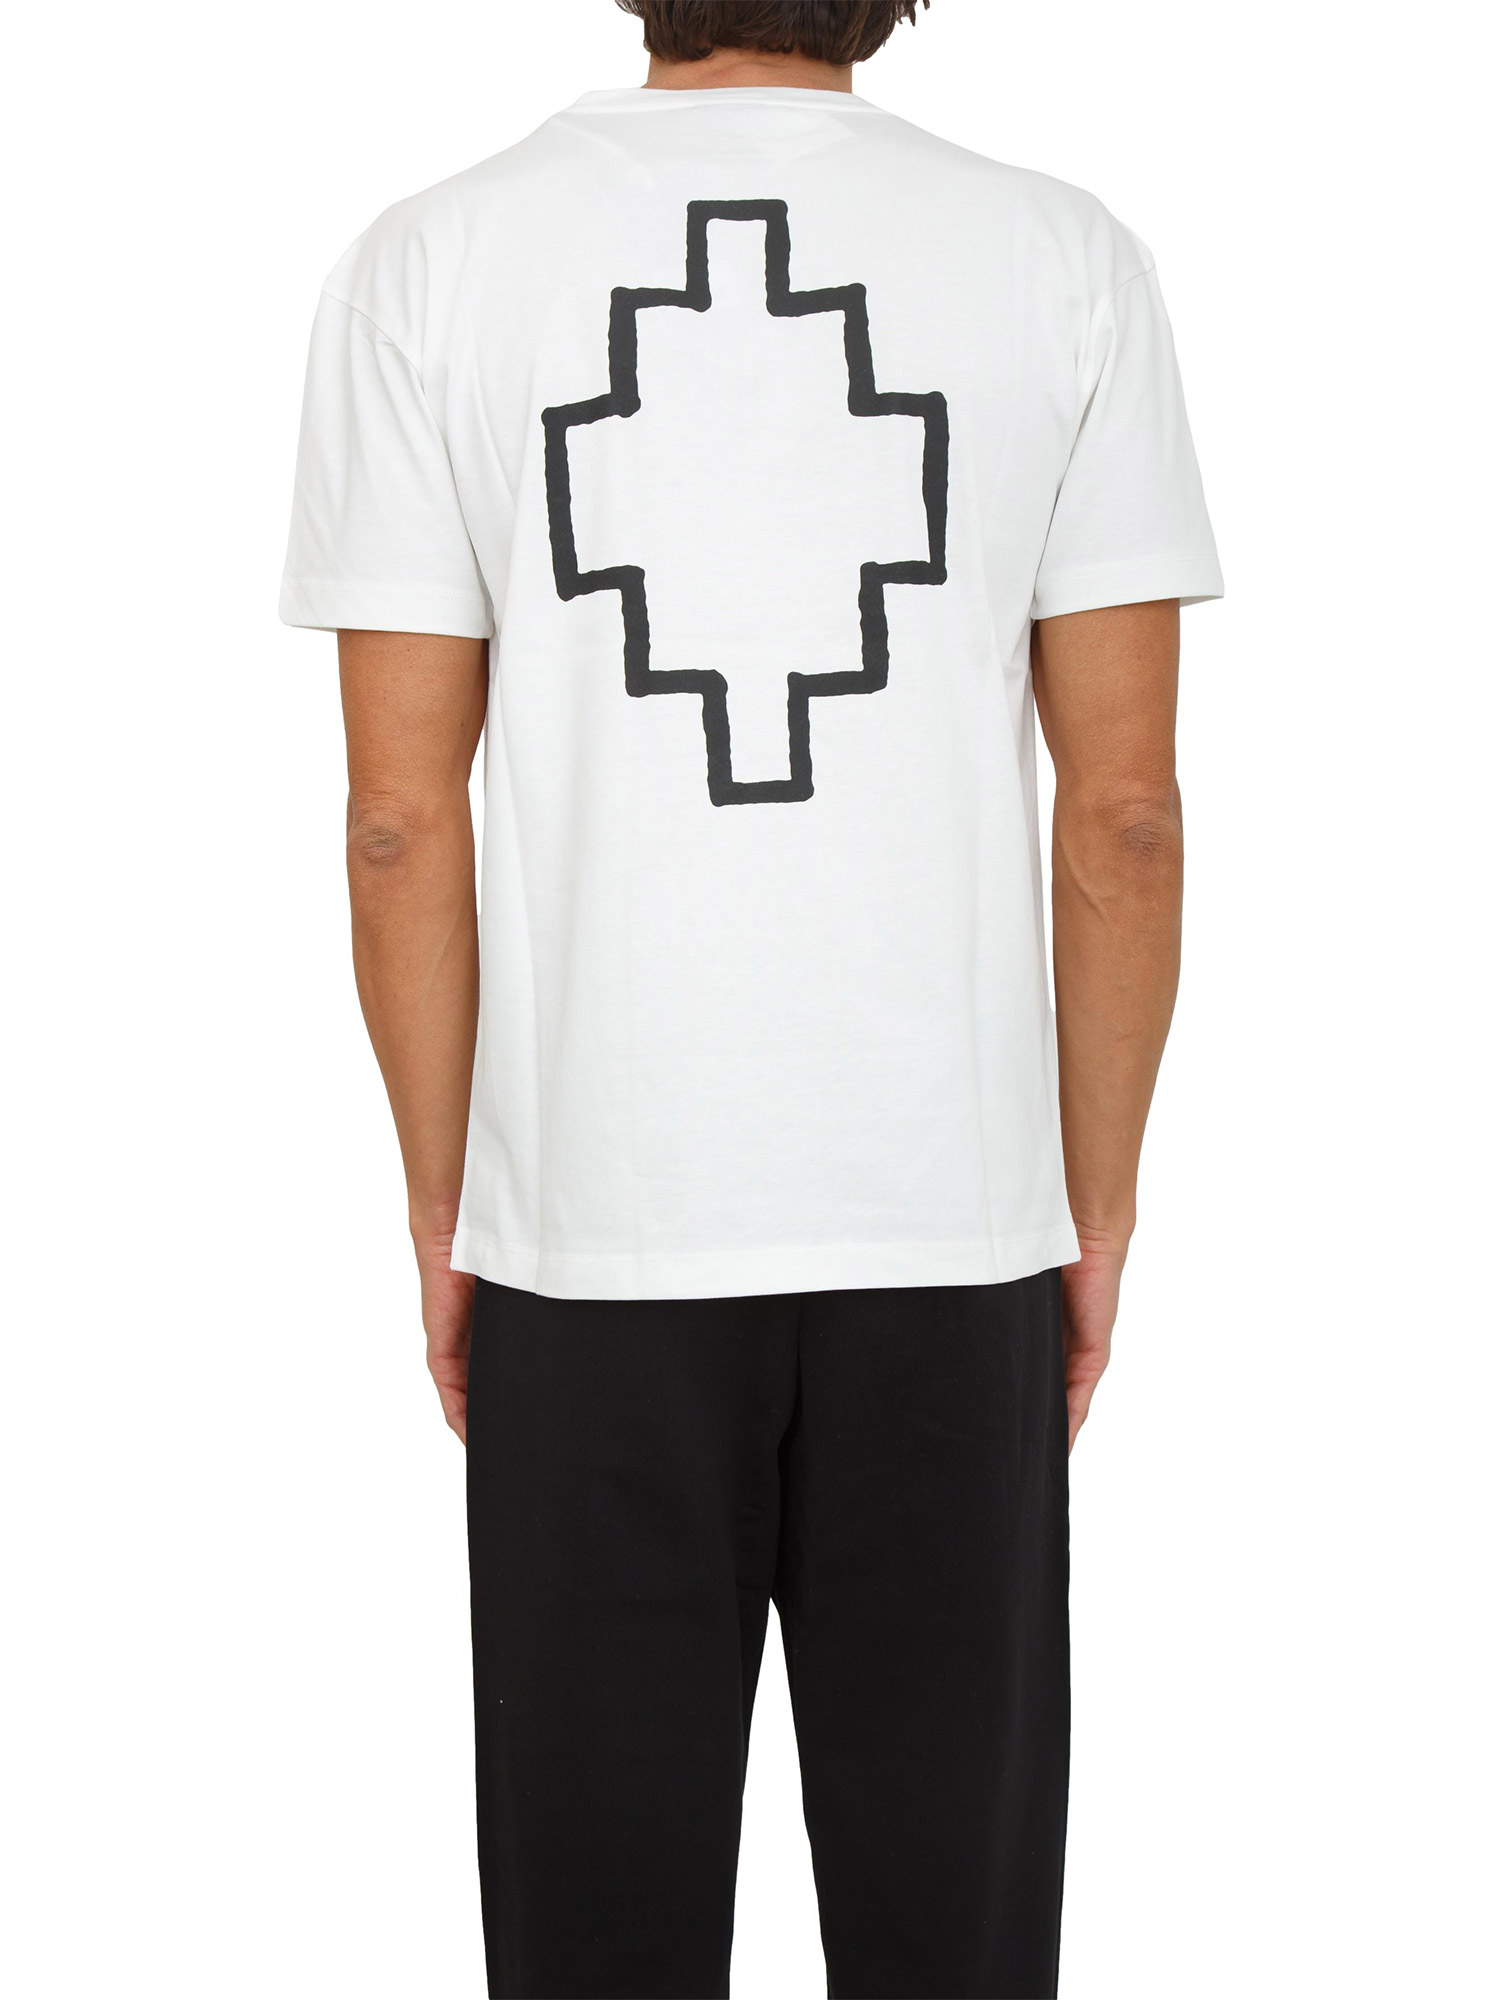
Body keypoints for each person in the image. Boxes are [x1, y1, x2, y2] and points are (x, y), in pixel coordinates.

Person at [280, 0, 1221, 1991]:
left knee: (594, 1946)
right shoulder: (1064, 262)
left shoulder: (430, 264)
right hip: (950, 1240)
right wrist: (1095, 1209)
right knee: (953, 1944)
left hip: (589, 1248)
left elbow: (395, 819)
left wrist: (452, 1208)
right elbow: (1124, 816)